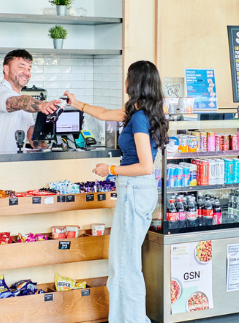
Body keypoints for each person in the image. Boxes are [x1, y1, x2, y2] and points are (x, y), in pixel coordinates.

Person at [64, 60, 166, 323]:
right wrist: (77, 103)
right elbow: (104, 113)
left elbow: (145, 166)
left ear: (137, 83)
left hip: (135, 189)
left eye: (128, 78)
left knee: (124, 265)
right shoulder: (138, 112)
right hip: (136, 191)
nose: (125, 82)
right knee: (124, 263)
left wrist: (110, 169)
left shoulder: (140, 118)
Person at [0, 49, 63, 153]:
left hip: (15, 163)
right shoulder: (1, 94)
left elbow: (31, 133)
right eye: (21, 67)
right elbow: (19, 102)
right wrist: (42, 105)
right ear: (6, 69)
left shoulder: (22, 100)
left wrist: (47, 152)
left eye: (29, 68)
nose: (27, 73)